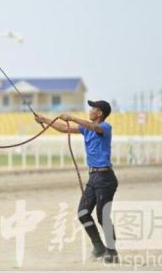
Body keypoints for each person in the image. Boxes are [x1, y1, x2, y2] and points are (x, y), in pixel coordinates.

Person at [34, 100, 119, 263]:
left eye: (93, 108)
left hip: (106, 178)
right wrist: (45, 120)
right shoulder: (86, 129)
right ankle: (99, 247)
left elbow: (95, 127)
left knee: (102, 216)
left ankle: (112, 251)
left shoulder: (105, 127)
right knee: (83, 213)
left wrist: (72, 117)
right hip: (94, 177)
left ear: (100, 113)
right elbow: (65, 128)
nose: (90, 110)